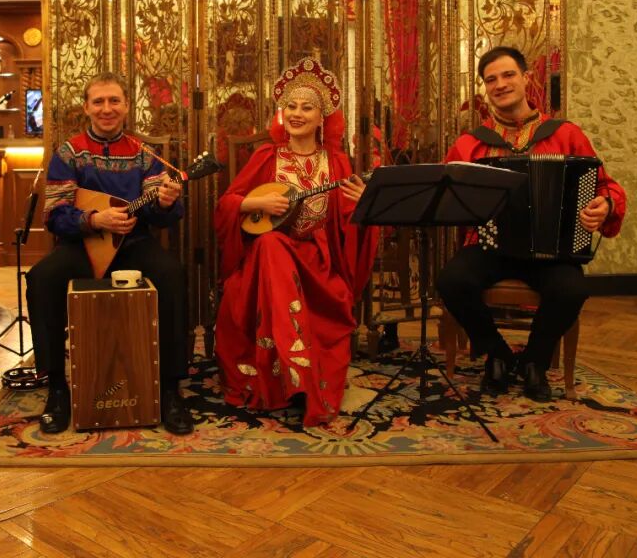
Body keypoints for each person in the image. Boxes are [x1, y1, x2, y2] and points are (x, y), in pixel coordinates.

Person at [437, 46, 626, 401]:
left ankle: (535, 361)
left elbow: (605, 186)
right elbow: (444, 192)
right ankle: (497, 354)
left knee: (571, 290)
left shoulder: (566, 135)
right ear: (485, 89)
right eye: (491, 79)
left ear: (526, 79)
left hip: (550, 249)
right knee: (451, 280)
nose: (500, 84)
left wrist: (606, 204)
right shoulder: (469, 144)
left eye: (508, 75)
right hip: (491, 246)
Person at [25, 72, 193, 436]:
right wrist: (92, 219)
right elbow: (54, 215)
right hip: (82, 246)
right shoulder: (69, 152)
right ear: (86, 107)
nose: (106, 109)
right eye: (98, 101)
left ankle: (170, 388)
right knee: (41, 278)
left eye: (114, 101)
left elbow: (161, 216)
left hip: (133, 244)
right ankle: (57, 388)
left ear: (127, 106)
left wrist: (166, 202)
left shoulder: (143, 154)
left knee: (172, 275)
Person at [214, 58, 378, 426]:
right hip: (266, 265)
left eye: (307, 107)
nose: (297, 114)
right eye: (291, 106)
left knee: (278, 252)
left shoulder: (337, 163)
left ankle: (299, 376)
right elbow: (227, 205)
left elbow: (353, 224)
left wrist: (362, 206)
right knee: (271, 245)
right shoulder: (266, 157)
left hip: (317, 266)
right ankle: (295, 373)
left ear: (323, 119)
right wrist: (255, 203)